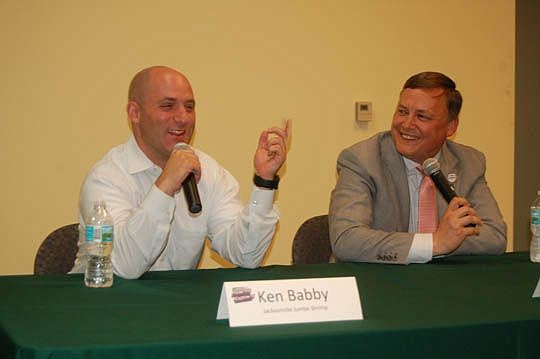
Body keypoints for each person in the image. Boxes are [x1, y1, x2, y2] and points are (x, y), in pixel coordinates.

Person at [71, 65, 291, 279]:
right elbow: (124, 267)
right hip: (105, 306)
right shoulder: (106, 178)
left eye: (189, 107)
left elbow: (246, 256)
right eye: (167, 106)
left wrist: (264, 182)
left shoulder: (209, 172)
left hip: (176, 307)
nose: (183, 118)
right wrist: (165, 185)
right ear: (134, 113)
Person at [329, 71, 506, 264]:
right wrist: (433, 243)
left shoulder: (469, 162)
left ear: (450, 127)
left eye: (422, 116)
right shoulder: (361, 160)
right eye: (402, 112)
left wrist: (446, 242)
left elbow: (494, 236)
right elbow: (346, 239)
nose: (406, 124)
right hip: (376, 281)